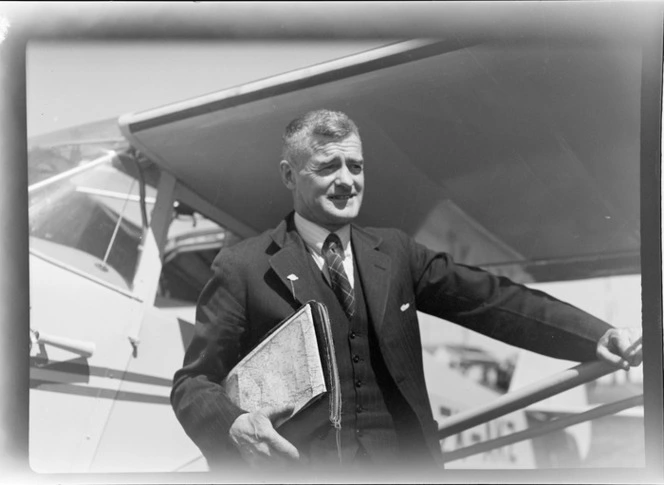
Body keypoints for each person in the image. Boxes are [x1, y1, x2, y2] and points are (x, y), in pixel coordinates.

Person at [170, 109, 642, 477]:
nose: (347, 180)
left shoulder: (395, 253)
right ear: (290, 175)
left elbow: (492, 300)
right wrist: (233, 425)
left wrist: (595, 335)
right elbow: (193, 383)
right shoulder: (243, 265)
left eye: (355, 165)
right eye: (327, 165)